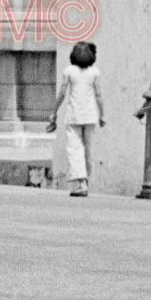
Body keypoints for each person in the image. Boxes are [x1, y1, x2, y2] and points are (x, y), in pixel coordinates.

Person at [49, 40, 105, 197]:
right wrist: (102, 115)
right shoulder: (94, 72)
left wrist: (54, 111)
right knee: (88, 149)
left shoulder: (69, 71)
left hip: (74, 116)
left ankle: (81, 183)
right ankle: (86, 180)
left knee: (75, 149)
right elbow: (99, 95)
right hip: (90, 116)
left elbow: (62, 93)